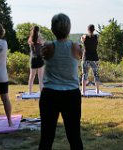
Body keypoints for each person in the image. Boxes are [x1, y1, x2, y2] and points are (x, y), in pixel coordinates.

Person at [39, 13, 83, 150]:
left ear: (52, 29)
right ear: (69, 28)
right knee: (74, 136)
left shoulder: (48, 47)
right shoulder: (77, 47)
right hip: (71, 95)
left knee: (46, 137)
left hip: (50, 95)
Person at [81, 24, 100, 95]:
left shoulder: (85, 37)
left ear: (87, 30)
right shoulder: (96, 37)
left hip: (86, 58)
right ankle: (97, 91)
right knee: (96, 74)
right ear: (94, 30)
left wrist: (83, 36)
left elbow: (82, 40)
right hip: (95, 58)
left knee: (84, 74)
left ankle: (83, 91)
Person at [28, 26, 44, 94]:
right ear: (38, 30)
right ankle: (41, 91)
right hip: (40, 58)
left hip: (33, 58)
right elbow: (43, 43)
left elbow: (29, 43)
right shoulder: (40, 38)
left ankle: (30, 92)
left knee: (31, 76)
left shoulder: (30, 38)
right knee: (40, 77)